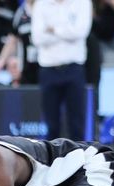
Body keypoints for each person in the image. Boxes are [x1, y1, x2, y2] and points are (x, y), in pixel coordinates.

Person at [31, 0, 92, 140]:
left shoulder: (82, 2)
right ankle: (52, 160)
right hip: (48, 69)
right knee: (51, 124)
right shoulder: (41, 4)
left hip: (74, 68)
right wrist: (67, 31)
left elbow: (81, 32)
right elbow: (37, 38)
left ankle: (79, 160)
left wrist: (53, 29)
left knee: (77, 122)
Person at [0, 0, 39, 85]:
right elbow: (12, 38)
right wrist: (1, 60)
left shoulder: (47, 10)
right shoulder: (20, 13)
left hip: (46, 64)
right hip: (26, 66)